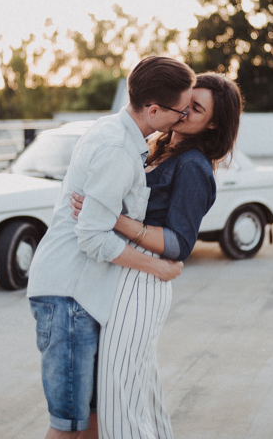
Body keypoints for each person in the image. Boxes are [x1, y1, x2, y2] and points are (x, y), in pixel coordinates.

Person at [27, 56, 196, 439]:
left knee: (93, 416)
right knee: (68, 426)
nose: (184, 117)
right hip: (68, 294)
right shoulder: (118, 149)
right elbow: (92, 237)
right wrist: (159, 267)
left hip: (82, 296)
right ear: (154, 110)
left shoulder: (118, 132)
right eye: (181, 110)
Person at [73, 73, 244, 439]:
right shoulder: (158, 146)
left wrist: (115, 220)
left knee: (119, 399)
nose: (184, 111)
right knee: (139, 394)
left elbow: (179, 243)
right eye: (185, 102)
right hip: (123, 274)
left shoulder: (194, 165)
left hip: (143, 282)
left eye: (196, 109)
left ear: (212, 122)